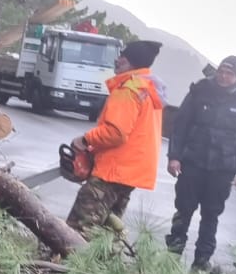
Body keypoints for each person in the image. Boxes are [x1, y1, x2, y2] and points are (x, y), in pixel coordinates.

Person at [166, 55, 236, 270]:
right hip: (192, 163)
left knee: (211, 214)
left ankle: (201, 262)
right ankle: (171, 256)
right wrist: (174, 156)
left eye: (229, 73)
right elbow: (180, 125)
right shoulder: (199, 92)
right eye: (221, 71)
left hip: (222, 169)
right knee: (183, 209)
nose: (223, 76)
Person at [65, 40, 164, 235]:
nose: (117, 60)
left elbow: (116, 132)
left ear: (130, 62)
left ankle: (68, 263)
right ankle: (101, 264)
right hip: (130, 172)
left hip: (112, 171)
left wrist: (85, 140)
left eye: (122, 57)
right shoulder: (148, 88)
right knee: (108, 232)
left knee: (80, 229)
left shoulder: (128, 89)